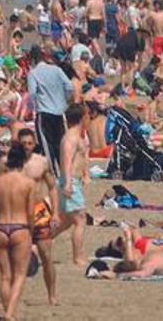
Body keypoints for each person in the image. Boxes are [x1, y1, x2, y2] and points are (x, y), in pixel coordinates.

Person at [0, 129, 60, 305]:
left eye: (30, 143)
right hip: (18, 213)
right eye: (24, 143)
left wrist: (55, 212)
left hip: (39, 211)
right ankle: (11, 297)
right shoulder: (10, 163)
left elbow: (52, 188)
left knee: (46, 256)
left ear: (34, 144)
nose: (27, 147)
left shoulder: (41, 162)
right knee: (14, 258)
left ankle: (52, 296)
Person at [0, 144, 35, 321]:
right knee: (19, 275)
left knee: (4, 275)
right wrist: (31, 233)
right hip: (20, 227)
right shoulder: (28, 183)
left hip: (1, 228)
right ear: (23, 161)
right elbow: (30, 213)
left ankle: (8, 312)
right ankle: (10, 314)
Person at [27, 49, 74, 174]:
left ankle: (54, 174)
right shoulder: (57, 70)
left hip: (44, 112)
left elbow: (32, 94)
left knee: (47, 145)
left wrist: (32, 108)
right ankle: (65, 172)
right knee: (60, 144)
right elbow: (69, 86)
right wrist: (65, 100)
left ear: (32, 60)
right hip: (59, 112)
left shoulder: (33, 73)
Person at [54, 103, 90, 266]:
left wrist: (86, 174)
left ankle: (36, 242)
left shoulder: (78, 137)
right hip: (69, 182)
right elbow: (67, 162)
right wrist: (68, 183)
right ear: (82, 118)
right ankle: (78, 257)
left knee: (66, 221)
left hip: (73, 181)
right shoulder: (70, 138)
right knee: (80, 219)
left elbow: (81, 159)